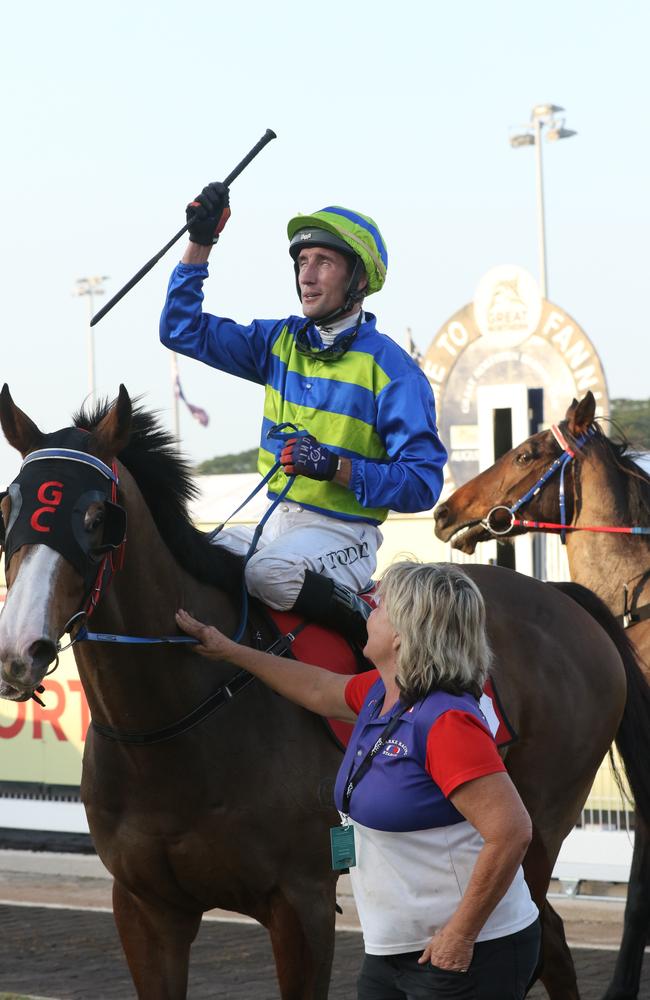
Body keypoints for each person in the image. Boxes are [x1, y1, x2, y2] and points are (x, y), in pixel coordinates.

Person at [175, 561, 540, 1000]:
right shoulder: (381, 694)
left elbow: (512, 831)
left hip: (469, 951)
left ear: (403, 634)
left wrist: (460, 935)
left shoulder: (445, 720)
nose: (370, 610)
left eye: (381, 606)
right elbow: (317, 688)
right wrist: (230, 651)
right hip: (395, 950)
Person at [160, 183, 447, 643]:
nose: (306, 277)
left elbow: (422, 484)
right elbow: (181, 330)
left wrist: (335, 467)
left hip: (345, 537)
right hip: (276, 523)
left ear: (358, 279)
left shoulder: (395, 372)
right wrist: (200, 244)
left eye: (324, 262)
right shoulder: (278, 342)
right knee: (188, 560)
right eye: (301, 262)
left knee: (267, 574)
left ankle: (382, 639)